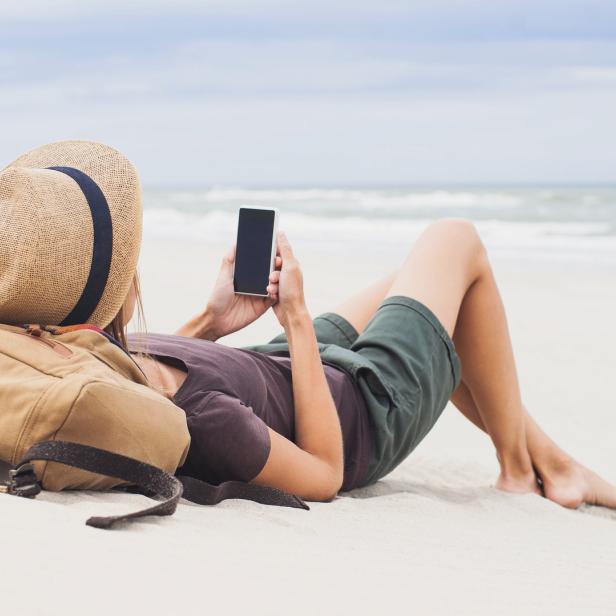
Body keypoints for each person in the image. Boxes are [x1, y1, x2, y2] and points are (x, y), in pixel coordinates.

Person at [125, 223, 616, 509]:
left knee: (422, 280)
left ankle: (555, 466)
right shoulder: (210, 417)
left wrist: (212, 320)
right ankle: (520, 470)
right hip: (360, 410)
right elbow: (325, 474)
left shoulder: (91, 355)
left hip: (285, 366)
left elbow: (156, 377)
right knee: (456, 240)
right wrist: (296, 317)